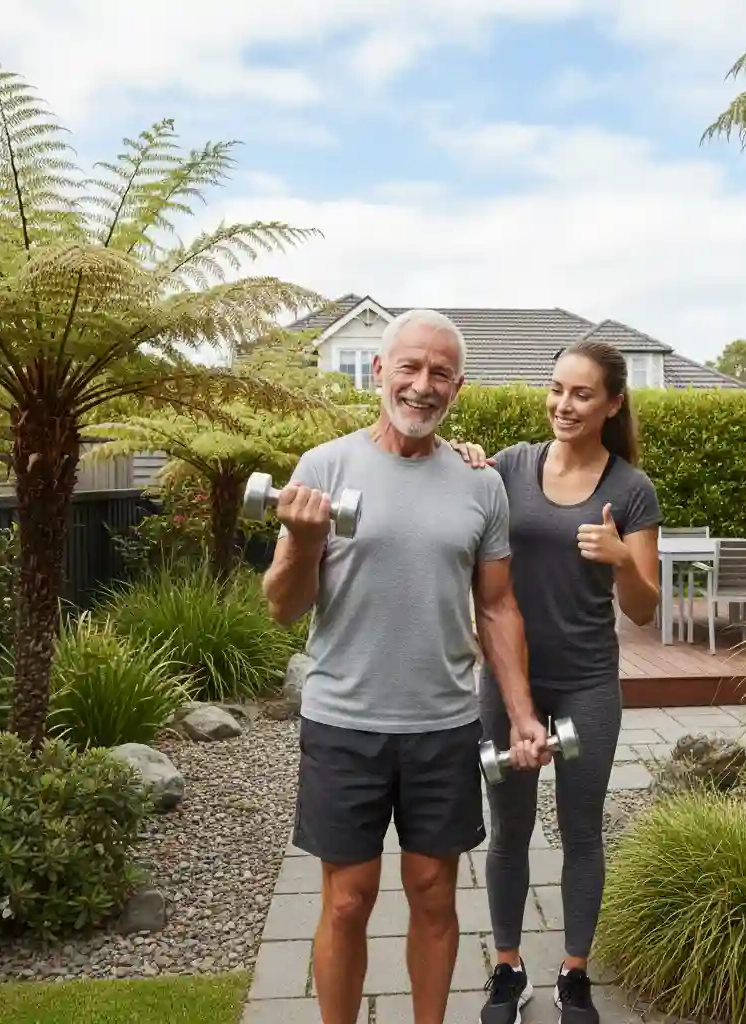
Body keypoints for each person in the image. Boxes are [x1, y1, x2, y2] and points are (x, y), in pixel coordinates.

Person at [262, 308, 550, 1024]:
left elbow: (499, 608)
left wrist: (521, 713)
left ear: (458, 387)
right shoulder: (324, 467)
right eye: (410, 368)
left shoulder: (480, 484)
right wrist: (301, 540)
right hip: (343, 721)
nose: (423, 385)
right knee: (348, 898)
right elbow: (283, 607)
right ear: (380, 371)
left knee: (431, 892)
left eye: (441, 374)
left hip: (443, 724)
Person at [450, 339, 662, 1024]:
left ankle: (574, 972)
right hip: (506, 680)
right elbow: (456, 513)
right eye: (556, 389)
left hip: (587, 685)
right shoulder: (510, 466)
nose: (563, 405)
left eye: (580, 393)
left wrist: (622, 557)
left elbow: (645, 607)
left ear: (611, 403)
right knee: (507, 828)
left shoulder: (630, 489)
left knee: (581, 830)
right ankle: (507, 969)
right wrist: (462, 466)